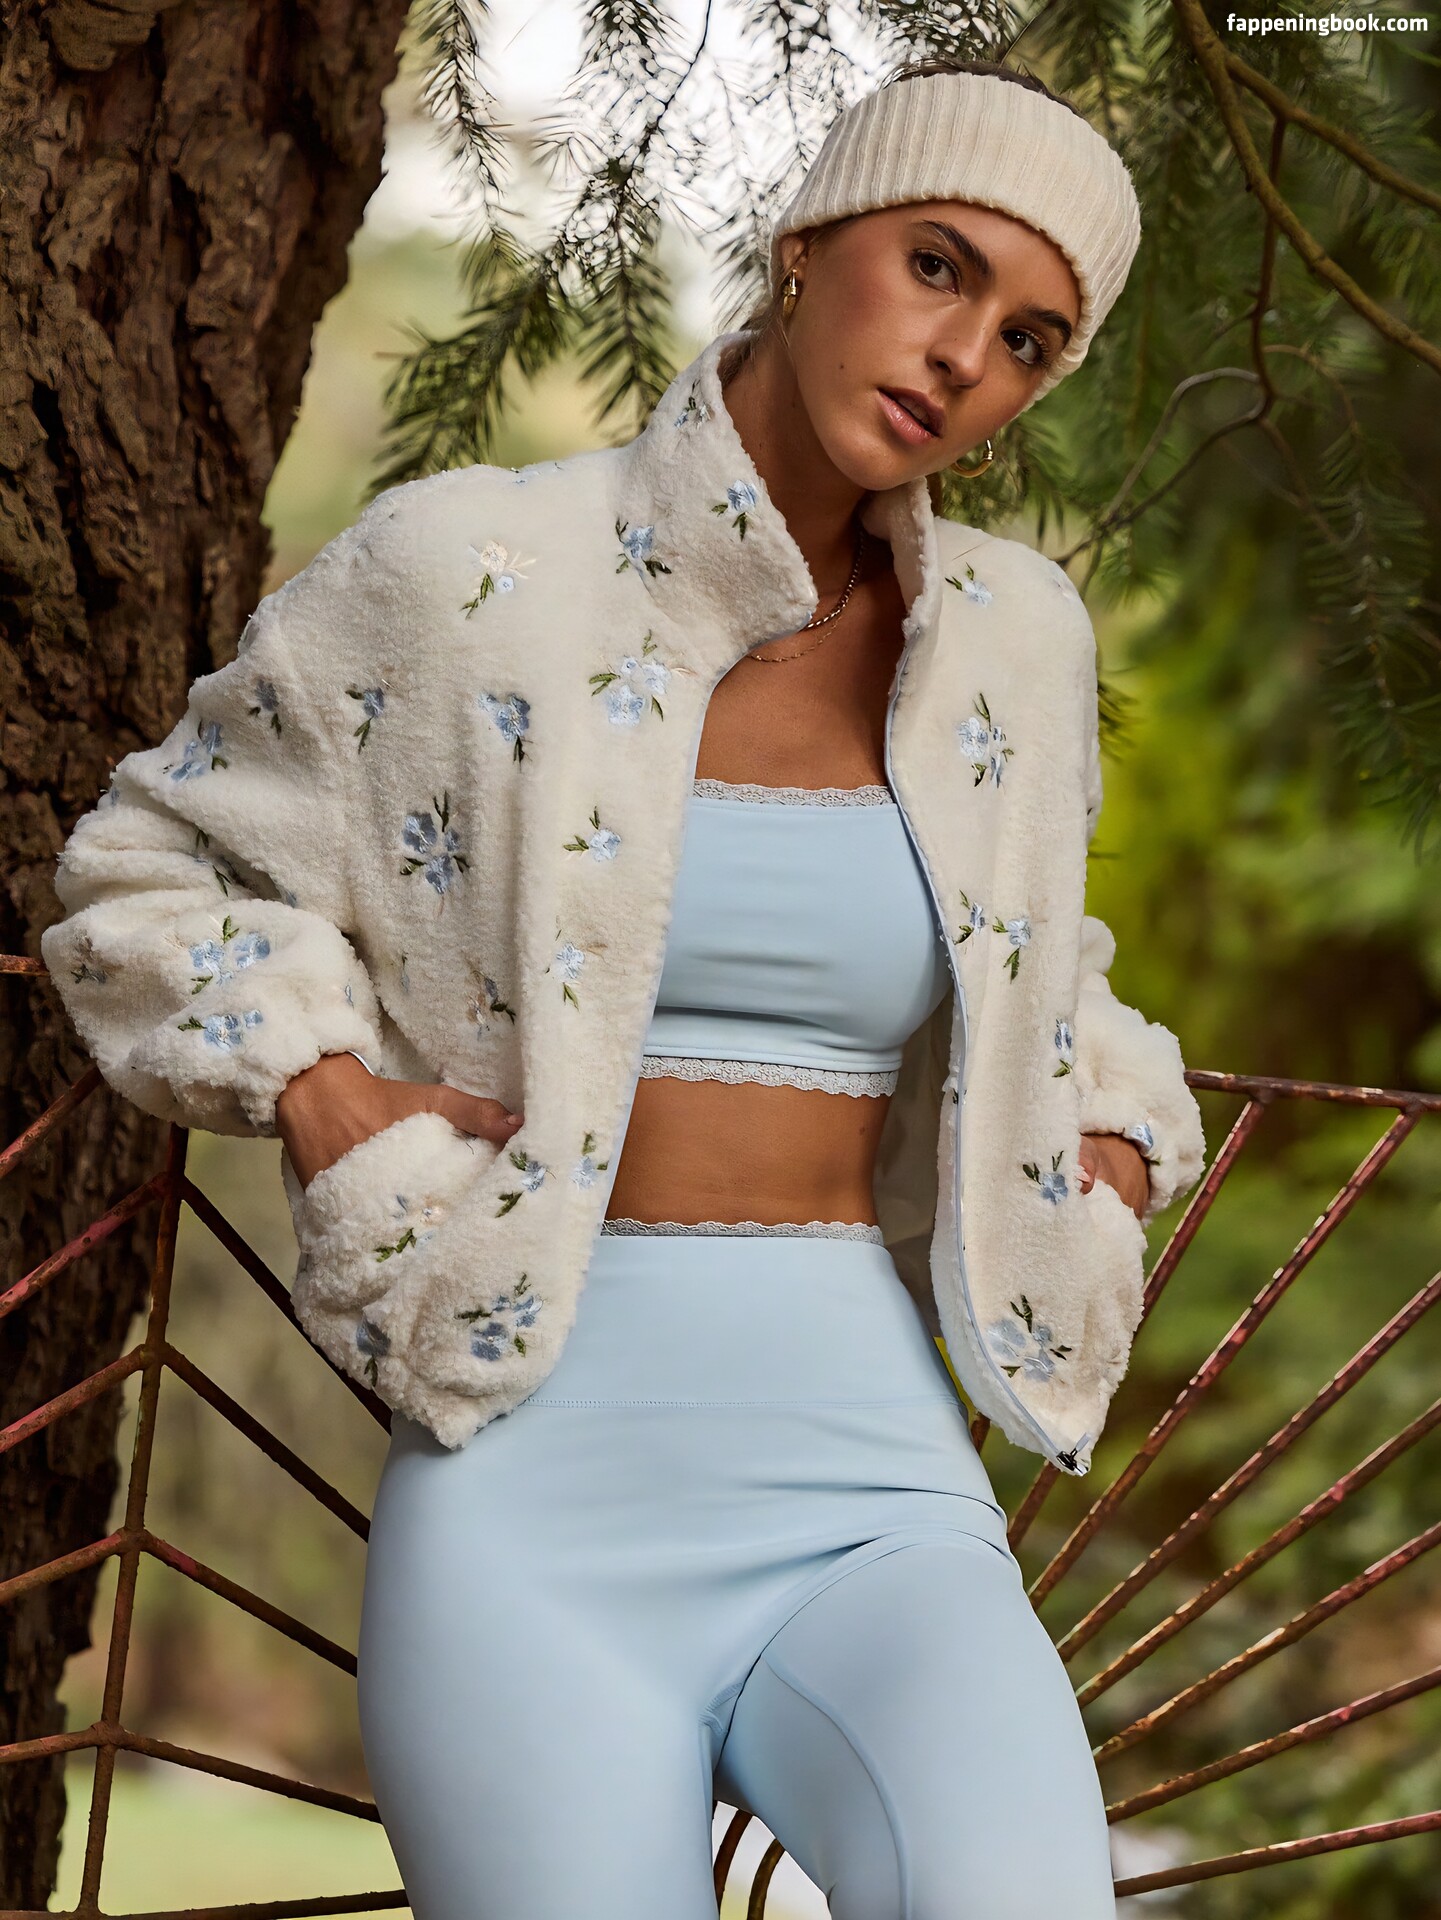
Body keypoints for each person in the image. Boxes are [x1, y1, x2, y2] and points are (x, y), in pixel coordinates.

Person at [41, 55, 1206, 1920]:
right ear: (809, 239)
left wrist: (1117, 1146)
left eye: (1029, 338)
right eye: (935, 264)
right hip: (534, 1479)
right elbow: (144, 870)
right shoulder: (470, 569)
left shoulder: (1013, 640)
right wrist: (328, 1095)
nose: (962, 353)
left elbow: (1035, 968)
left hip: (871, 1481)